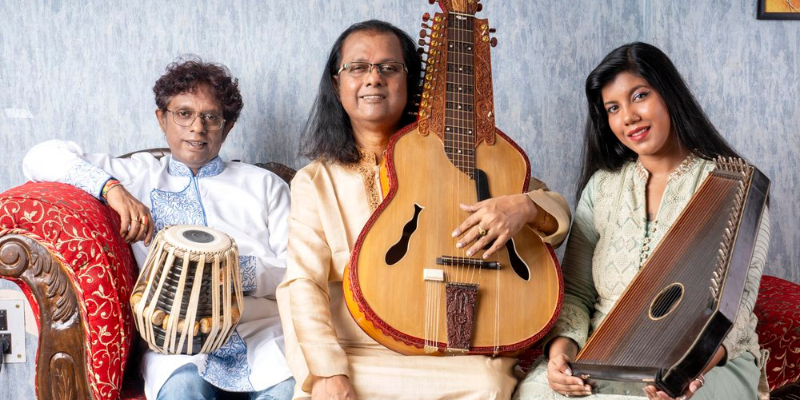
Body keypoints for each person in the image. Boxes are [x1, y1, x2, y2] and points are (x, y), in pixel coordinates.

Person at [276, 20, 571, 400]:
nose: (374, 78)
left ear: (412, 83)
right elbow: (302, 284)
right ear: (337, 84)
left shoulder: (460, 156)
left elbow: (557, 210)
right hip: (357, 355)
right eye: (358, 67)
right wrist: (328, 373)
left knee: (488, 386)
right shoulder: (315, 181)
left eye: (389, 67)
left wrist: (526, 205)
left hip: (451, 353)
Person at [22, 58, 295, 400]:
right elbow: (39, 157)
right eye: (183, 114)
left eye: (211, 117)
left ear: (228, 126)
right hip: (176, 350)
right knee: (183, 391)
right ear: (161, 118)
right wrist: (112, 190)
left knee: (287, 391)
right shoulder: (137, 176)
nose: (197, 128)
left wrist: (225, 273)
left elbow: (296, 270)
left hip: (262, 338)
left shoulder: (265, 185)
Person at [513, 42, 771, 400]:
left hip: (706, 359)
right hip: (604, 354)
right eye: (613, 108)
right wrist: (561, 357)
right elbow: (577, 293)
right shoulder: (601, 188)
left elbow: (738, 307)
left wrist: (687, 371)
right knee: (536, 391)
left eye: (640, 96)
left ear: (670, 95)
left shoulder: (731, 185)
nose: (628, 117)